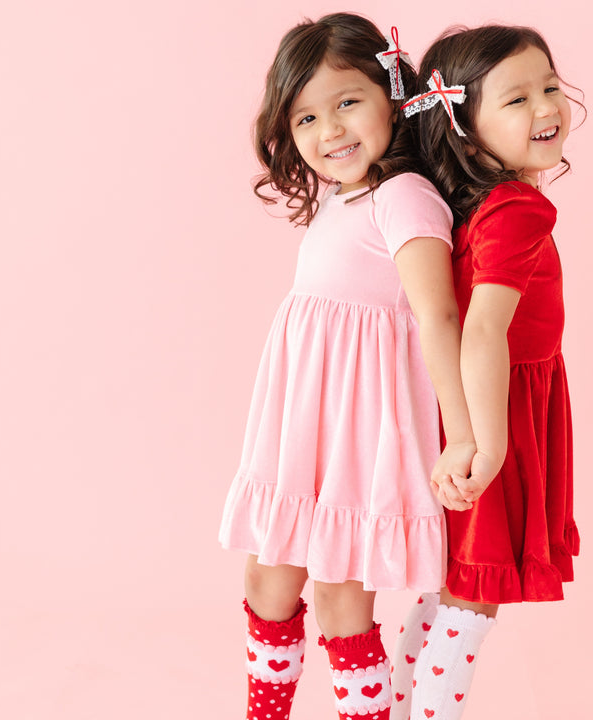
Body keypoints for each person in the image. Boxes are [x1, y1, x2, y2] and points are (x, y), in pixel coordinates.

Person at [218, 13, 475, 720]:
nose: (329, 130)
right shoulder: (340, 197)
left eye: (347, 103)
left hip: (359, 436)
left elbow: (439, 316)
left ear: (394, 97)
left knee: (338, 597)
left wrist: (460, 433)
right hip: (303, 425)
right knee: (267, 578)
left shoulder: (405, 197)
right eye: (305, 117)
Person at [390, 25, 580, 720]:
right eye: (517, 98)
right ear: (465, 132)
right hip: (501, 407)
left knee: (453, 589)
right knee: (473, 596)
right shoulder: (519, 208)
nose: (546, 108)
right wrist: (488, 443)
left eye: (550, 88)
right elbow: (482, 331)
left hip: (482, 403)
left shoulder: (483, 203)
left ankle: (399, 704)